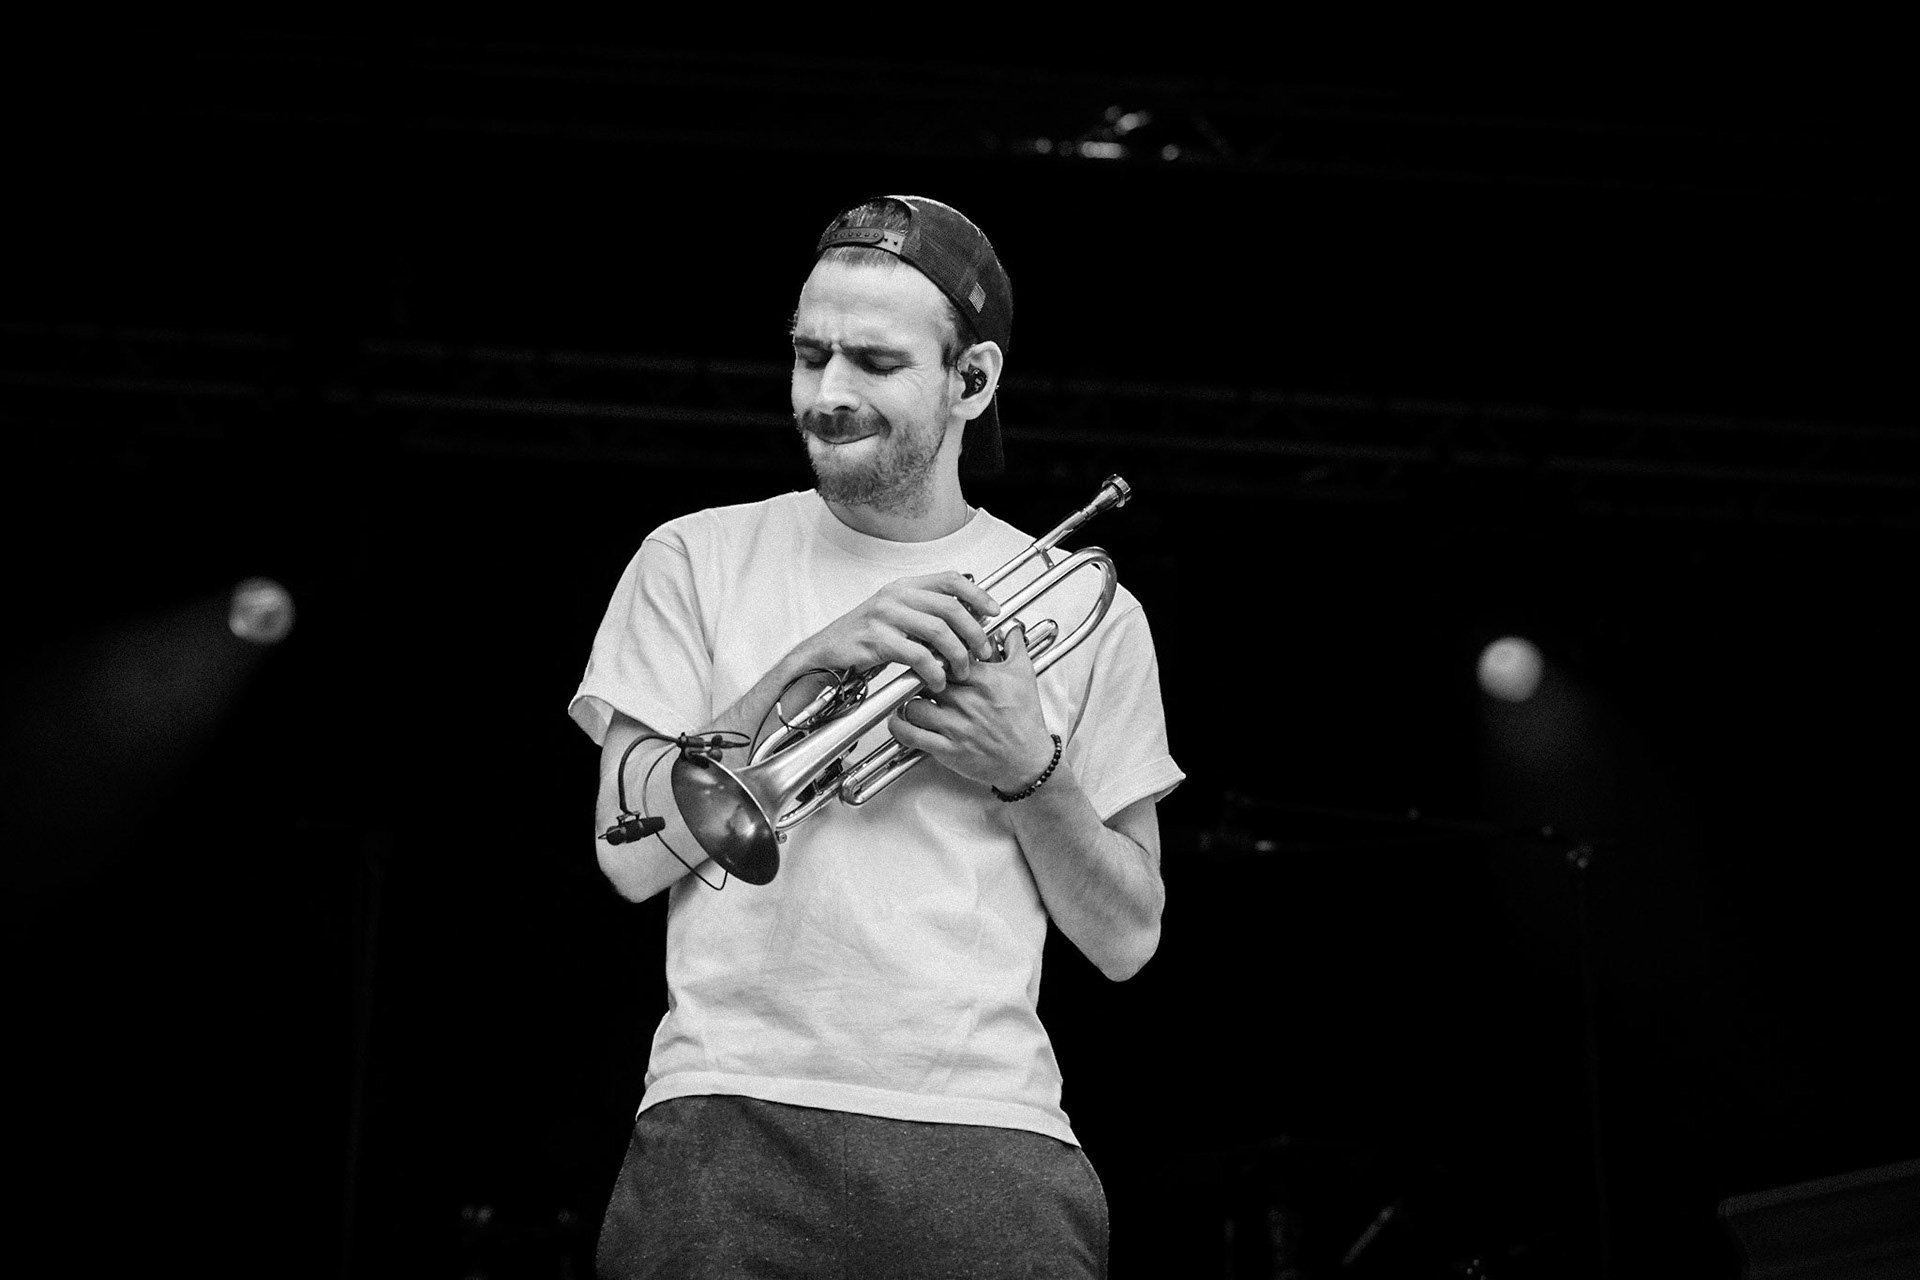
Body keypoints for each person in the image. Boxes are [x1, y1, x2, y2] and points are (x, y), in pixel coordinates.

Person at [569, 194, 1183, 1279]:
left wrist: (1026, 771)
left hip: (989, 1143)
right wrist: (801, 663)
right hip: (726, 1121)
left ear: (973, 379)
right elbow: (627, 852)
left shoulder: (1089, 609)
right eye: (810, 356)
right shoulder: (693, 557)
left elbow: (1129, 938)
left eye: (874, 361)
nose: (828, 394)